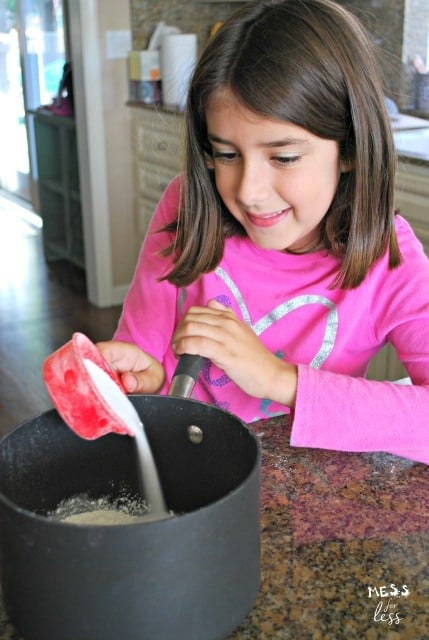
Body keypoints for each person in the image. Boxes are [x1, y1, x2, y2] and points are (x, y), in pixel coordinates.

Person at [98, 0, 429, 464]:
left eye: (284, 157)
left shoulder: (388, 256)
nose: (248, 192)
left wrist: (279, 380)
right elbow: (143, 355)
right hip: (183, 468)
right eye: (227, 155)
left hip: (297, 497)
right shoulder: (190, 206)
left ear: (350, 148)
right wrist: (143, 379)